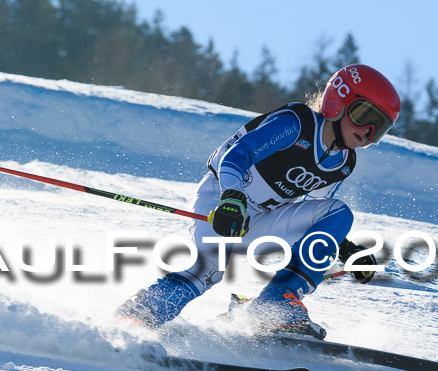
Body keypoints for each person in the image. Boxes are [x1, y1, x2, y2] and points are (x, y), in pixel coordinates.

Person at [115, 64, 400, 340]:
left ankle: (275, 303)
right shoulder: (297, 124)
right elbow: (236, 156)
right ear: (338, 101)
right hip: (221, 201)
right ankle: (139, 314)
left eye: (380, 128)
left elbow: (317, 213)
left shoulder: (343, 163)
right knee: (210, 270)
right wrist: (232, 197)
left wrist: (345, 247)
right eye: (364, 116)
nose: (368, 132)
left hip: (260, 220)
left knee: (338, 213)